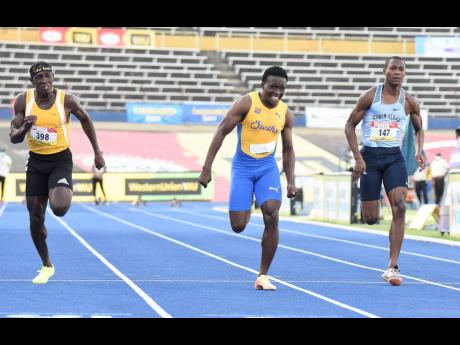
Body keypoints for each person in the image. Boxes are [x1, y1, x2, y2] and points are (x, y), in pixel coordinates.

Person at [199, 66, 297, 291]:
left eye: (282, 88)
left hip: (267, 169)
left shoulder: (285, 113)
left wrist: (291, 180)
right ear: (262, 85)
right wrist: (207, 169)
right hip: (243, 168)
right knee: (238, 226)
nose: (277, 92)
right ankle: (250, 201)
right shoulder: (246, 103)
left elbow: (289, 150)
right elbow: (221, 132)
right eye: (273, 87)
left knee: (272, 214)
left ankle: (263, 275)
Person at [9, 61, 105, 284]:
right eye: (39, 78)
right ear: (32, 82)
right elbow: (13, 137)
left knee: (60, 208)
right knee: (34, 216)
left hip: (60, 160)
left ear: (53, 77)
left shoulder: (67, 100)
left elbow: (86, 120)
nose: (44, 81)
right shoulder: (24, 100)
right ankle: (46, 265)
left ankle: (59, 191)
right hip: (36, 163)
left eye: (47, 76)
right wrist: (24, 128)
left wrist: (97, 153)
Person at [344, 56, 425, 286]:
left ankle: (392, 266)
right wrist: (358, 157)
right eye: (393, 68)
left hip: (394, 158)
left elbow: (419, 128)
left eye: (401, 69)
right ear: (385, 71)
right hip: (369, 157)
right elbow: (349, 125)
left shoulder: (409, 102)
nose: (397, 72)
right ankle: (371, 199)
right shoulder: (370, 96)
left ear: (405, 74)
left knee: (399, 207)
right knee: (370, 218)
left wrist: (420, 150)